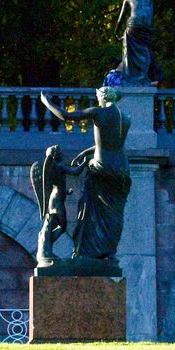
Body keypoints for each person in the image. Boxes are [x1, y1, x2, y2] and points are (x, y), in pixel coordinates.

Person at [38, 87, 132, 262]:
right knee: (113, 213)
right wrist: (86, 153)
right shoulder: (126, 119)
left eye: (98, 97)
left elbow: (67, 116)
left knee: (90, 209)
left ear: (102, 97)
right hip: (122, 171)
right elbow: (111, 145)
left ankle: (88, 252)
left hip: (102, 168)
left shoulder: (99, 113)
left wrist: (47, 102)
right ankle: (109, 252)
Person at [115, 0, 158, 86]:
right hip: (146, 26)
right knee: (144, 49)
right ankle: (142, 76)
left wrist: (116, 31)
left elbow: (121, 18)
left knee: (129, 50)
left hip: (133, 24)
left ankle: (131, 78)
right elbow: (151, 14)